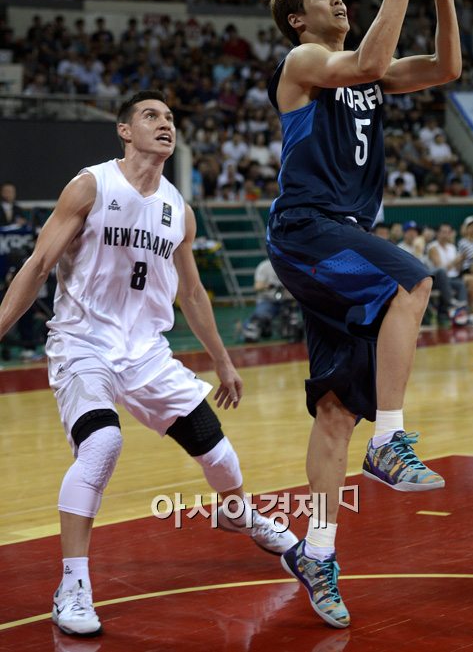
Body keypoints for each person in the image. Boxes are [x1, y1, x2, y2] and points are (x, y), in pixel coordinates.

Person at [0, 90, 297, 637]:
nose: (165, 125)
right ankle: (72, 585)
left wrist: (223, 362)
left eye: (170, 119)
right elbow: (39, 262)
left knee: (222, 456)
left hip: (147, 353)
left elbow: (194, 293)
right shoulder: (91, 185)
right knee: (102, 444)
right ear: (124, 130)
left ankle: (238, 515)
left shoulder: (176, 209)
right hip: (83, 342)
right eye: (151, 116)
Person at [266, 0, 470, 629]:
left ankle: (317, 549)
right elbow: (365, 64)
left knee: (332, 410)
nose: (336, 2)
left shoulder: (367, 76)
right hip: (307, 227)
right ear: (298, 20)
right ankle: (391, 439)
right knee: (414, 279)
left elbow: (446, 70)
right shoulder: (302, 66)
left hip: (338, 240)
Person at [241, 257, 294, 342]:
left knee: (293, 319)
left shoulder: (290, 265)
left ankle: (288, 328)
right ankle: (251, 329)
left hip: (288, 301)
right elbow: (257, 286)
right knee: (260, 316)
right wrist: (268, 286)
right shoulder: (264, 266)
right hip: (268, 300)